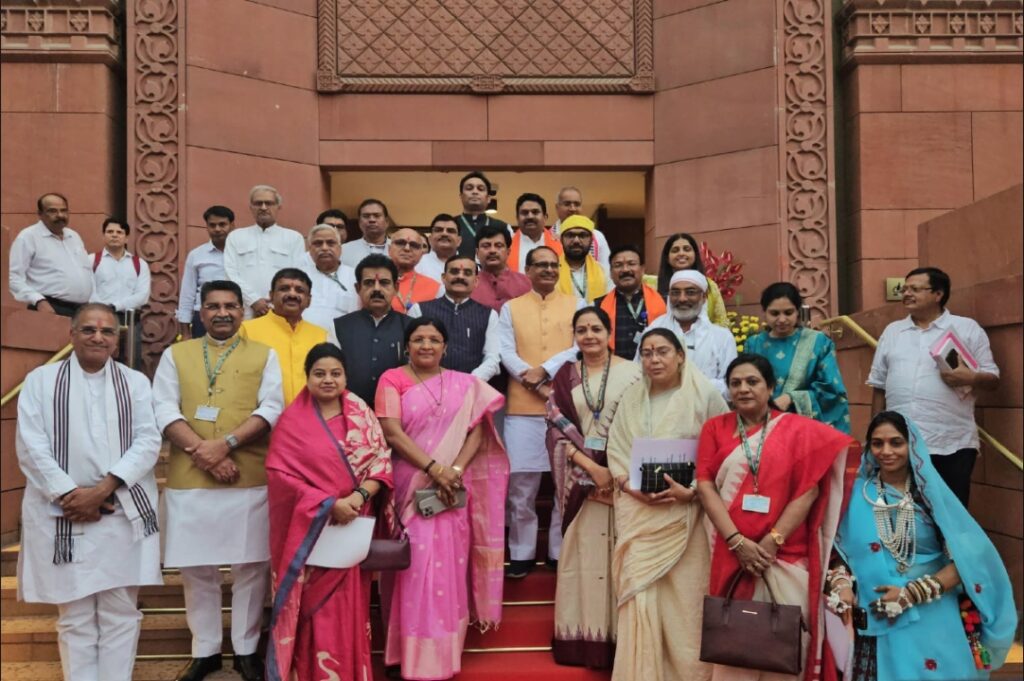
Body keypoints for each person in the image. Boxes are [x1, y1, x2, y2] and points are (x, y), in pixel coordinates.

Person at [16, 303, 162, 681]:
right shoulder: (40, 382)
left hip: (119, 510)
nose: (98, 336)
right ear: (72, 334)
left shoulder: (136, 382)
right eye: (89, 329)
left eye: (107, 331)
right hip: (61, 512)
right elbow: (31, 446)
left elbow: (148, 441)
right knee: (75, 616)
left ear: (117, 339)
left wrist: (102, 490)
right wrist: (70, 495)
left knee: (120, 612)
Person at [152, 280, 284, 681]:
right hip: (191, 477)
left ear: (243, 311)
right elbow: (162, 408)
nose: (222, 312)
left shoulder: (265, 354)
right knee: (197, 569)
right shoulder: (177, 354)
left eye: (230, 305)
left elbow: (273, 406)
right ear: (201, 312)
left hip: (248, 474)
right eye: (213, 306)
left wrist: (224, 446)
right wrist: (204, 454)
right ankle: (205, 650)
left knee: (251, 567)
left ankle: (245, 650)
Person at [697, 353, 857, 681]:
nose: (743, 389)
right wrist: (737, 541)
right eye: (735, 383)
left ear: (770, 387)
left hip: (785, 554)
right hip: (728, 551)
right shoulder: (716, 428)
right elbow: (704, 485)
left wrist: (771, 542)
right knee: (733, 642)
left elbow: (809, 490)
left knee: (786, 641)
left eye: (752, 381)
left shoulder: (798, 430)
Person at [828, 411, 1016, 681]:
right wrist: (841, 584)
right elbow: (839, 554)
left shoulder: (931, 498)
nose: (886, 451)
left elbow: (969, 561)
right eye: (877, 443)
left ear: (912, 445)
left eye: (896, 442)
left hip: (932, 616)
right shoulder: (855, 495)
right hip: (875, 616)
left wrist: (911, 593)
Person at [376, 318, 508, 681]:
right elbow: (392, 432)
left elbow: (477, 434)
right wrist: (434, 468)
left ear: (445, 348)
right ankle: (405, 654)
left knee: (448, 565)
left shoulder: (465, 385)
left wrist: (454, 470)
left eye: (434, 340)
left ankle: (443, 654)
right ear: (407, 346)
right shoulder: (393, 379)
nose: (426, 345)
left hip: (452, 486)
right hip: (411, 484)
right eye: (418, 339)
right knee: (414, 567)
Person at [601, 328, 728, 680]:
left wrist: (696, 492)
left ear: (681, 356)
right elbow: (616, 452)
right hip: (640, 513)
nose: (654, 359)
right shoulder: (631, 399)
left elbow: (723, 453)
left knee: (686, 602)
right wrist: (630, 486)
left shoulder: (705, 396)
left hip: (688, 514)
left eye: (662, 352)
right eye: (647, 353)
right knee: (641, 594)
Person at [266, 343, 393, 681]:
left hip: (351, 527)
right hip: (309, 536)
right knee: (311, 613)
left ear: (345, 377)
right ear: (306, 377)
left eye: (335, 373)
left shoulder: (360, 413)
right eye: (319, 373)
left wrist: (357, 496)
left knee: (348, 611)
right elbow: (280, 476)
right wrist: (327, 505)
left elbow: (381, 463)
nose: (327, 380)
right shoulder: (292, 421)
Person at [545, 307, 643, 668]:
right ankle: (583, 643)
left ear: (609, 332)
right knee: (583, 560)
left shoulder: (633, 373)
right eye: (582, 330)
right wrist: (590, 470)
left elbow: (642, 425)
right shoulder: (567, 374)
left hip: (623, 482)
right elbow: (555, 428)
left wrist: (614, 474)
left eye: (596, 329)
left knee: (620, 561)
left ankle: (623, 643)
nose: (589, 336)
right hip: (581, 483)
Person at [867, 267, 1000, 507]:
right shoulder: (893, 331)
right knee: (902, 510)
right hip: (900, 443)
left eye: (915, 289)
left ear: (938, 294)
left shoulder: (967, 328)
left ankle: (949, 547)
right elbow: (879, 386)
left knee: (950, 514)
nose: (906, 293)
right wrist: (875, 434)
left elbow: (993, 379)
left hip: (951, 442)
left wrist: (969, 378)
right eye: (904, 289)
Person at [498, 246, 582, 578]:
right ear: (528, 271)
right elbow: (504, 349)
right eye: (541, 265)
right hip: (521, 406)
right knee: (522, 486)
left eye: (553, 265)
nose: (548, 269)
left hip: (566, 404)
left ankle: (559, 552)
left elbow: (579, 345)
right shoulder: (511, 308)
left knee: (565, 483)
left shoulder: (577, 305)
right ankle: (521, 552)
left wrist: (545, 370)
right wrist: (529, 377)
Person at [745, 282, 851, 433]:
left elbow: (832, 390)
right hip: (762, 425)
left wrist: (792, 398)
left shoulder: (818, 342)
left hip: (803, 427)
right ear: (764, 313)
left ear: (798, 312)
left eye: (788, 313)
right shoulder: (754, 344)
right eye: (774, 313)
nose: (781, 319)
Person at [333, 254, 412, 408]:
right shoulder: (338, 327)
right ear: (357, 288)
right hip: (350, 414)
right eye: (369, 283)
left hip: (399, 413)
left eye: (384, 283)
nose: (377, 289)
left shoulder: (411, 327)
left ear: (396, 288)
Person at [240, 268, 328, 405]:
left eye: (300, 290)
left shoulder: (321, 335)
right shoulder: (246, 330)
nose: (292, 294)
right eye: (284, 289)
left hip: (309, 419)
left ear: (309, 300)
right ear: (271, 295)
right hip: (261, 419)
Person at [410, 255, 501, 382]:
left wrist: (470, 381)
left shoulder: (489, 314)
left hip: (472, 389)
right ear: (443, 278)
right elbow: (410, 353)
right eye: (454, 272)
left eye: (467, 273)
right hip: (426, 386)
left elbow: (492, 357)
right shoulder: (419, 310)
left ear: (476, 281)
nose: (460, 276)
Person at [646, 270, 737, 397]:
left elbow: (731, 384)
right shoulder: (653, 330)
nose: (682, 298)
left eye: (690, 292)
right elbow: (639, 375)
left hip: (707, 412)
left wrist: (690, 386)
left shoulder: (722, 337)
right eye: (675, 293)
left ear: (703, 297)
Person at [223, 184, 306, 319]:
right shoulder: (236, 236)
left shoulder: (293, 238)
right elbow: (230, 272)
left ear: (278, 207)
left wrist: (274, 303)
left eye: (268, 203)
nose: (263, 207)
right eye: (258, 203)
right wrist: (254, 300)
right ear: (251, 208)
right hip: (244, 310)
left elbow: (296, 275)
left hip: (280, 310)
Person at [9, 192, 92, 316]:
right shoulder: (28, 237)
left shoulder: (73, 236)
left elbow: (86, 272)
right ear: (40, 214)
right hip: (49, 309)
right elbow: (13, 277)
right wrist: (38, 301)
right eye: (52, 211)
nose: (60, 215)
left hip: (81, 311)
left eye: (64, 210)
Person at [595, 244, 667, 359]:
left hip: (655, 370)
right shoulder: (598, 306)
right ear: (611, 273)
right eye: (618, 265)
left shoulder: (664, 301)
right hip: (614, 372)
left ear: (643, 269)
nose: (625, 270)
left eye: (631, 264)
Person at [177, 205, 234, 340]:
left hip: (235, 315)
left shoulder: (243, 254)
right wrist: (185, 333)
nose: (217, 229)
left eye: (222, 224)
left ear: (232, 226)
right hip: (203, 318)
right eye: (212, 225)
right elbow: (187, 294)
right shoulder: (196, 255)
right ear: (207, 227)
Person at [655, 233, 729, 327]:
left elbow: (721, 322)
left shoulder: (710, 286)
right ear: (667, 258)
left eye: (687, 249)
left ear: (695, 255)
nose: (681, 253)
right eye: (675, 250)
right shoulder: (652, 285)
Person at [299, 223, 358, 331]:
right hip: (304, 341)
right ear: (310, 250)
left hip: (343, 342)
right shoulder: (298, 277)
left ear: (340, 248)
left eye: (330, 243)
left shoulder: (355, 276)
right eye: (318, 243)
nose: (324, 248)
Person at [88, 217, 151, 317]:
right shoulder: (91, 260)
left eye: (119, 232)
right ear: (103, 236)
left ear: (126, 238)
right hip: (98, 316)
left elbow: (142, 296)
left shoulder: (139, 264)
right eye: (110, 232)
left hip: (130, 319)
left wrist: (115, 306)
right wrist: (104, 309)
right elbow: (88, 291)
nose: (114, 235)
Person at [550, 186, 611, 276]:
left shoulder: (597, 236)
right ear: (557, 207)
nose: (573, 208)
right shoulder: (547, 237)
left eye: (577, 204)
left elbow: (607, 270)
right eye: (567, 204)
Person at [471, 223, 531, 312]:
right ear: (477, 253)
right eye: (486, 246)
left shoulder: (526, 283)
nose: (492, 251)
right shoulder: (469, 284)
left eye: (498, 246)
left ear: (508, 252)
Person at [455, 170, 510, 258]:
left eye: (480, 189)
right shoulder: (451, 225)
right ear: (461, 196)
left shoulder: (503, 227)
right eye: (469, 188)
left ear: (488, 198)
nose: (475, 192)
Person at [557, 215, 611, 302]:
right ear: (561, 240)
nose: (576, 240)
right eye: (570, 235)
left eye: (582, 235)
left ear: (591, 240)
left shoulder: (605, 273)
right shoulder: (551, 272)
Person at [389, 227, 441, 312]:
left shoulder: (436, 288)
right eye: (401, 243)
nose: (407, 248)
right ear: (389, 249)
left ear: (421, 254)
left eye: (414, 245)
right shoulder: (373, 282)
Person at [507, 192, 562, 273]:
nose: (530, 216)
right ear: (517, 218)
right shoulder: (506, 246)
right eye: (525, 213)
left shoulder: (560, 244)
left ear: (545, 217)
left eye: (535, 212)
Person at [341, 198, 391, 268]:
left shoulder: (399, 249)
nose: (372, 220)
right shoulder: (344, 250)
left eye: (377, 216)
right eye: (366, 216)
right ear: (359, 222)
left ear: (387, 222)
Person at [416, 213, 462, 280]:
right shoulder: (417, 263)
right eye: (438, 230)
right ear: (430, 239)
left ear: (459, 241)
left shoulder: (470, 266)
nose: (444, 233)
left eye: (450, 231)